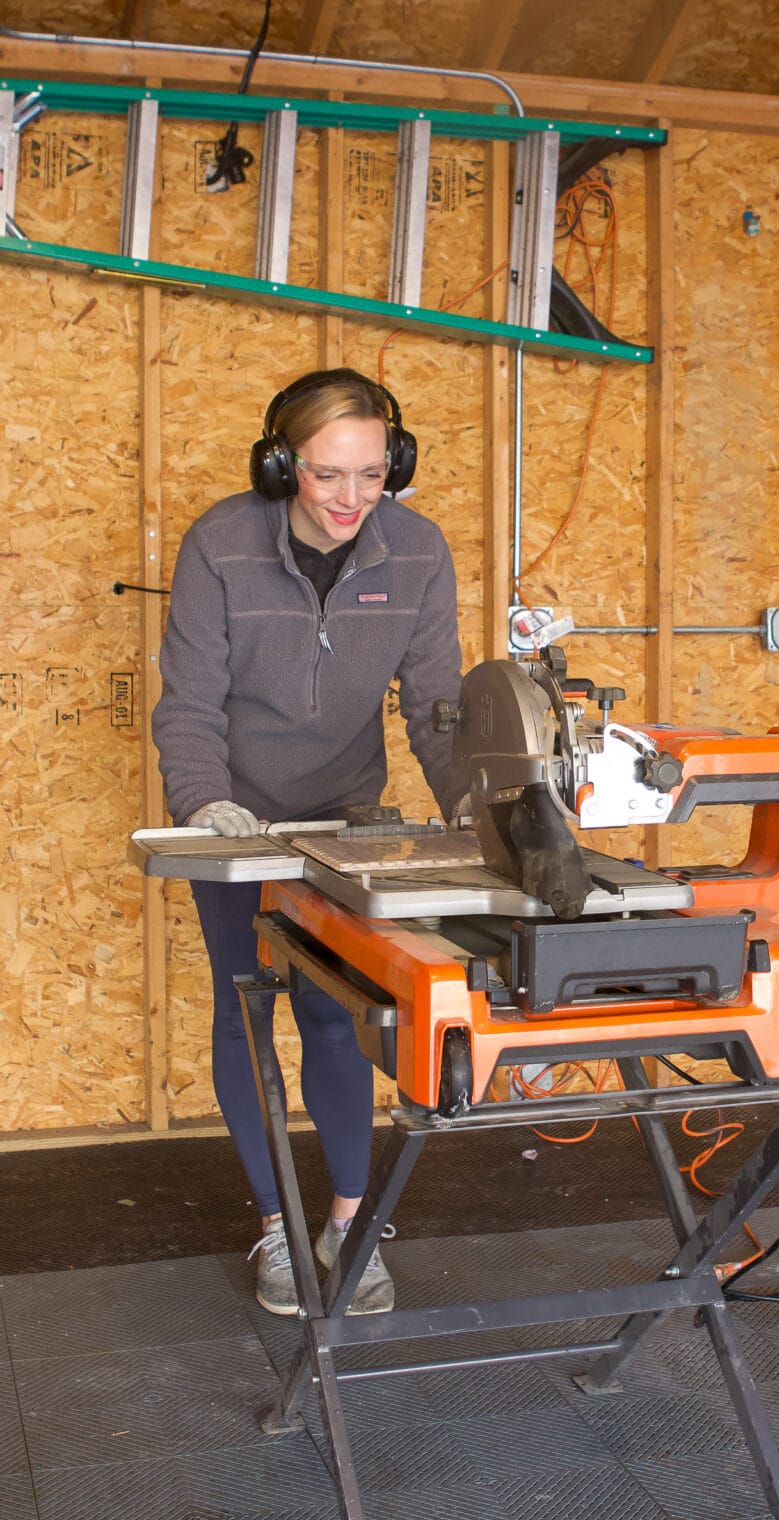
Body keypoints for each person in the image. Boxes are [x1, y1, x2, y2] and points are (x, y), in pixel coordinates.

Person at [151, 367, 465, 1316]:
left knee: (333, 1013)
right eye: (330, 475)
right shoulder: (221, 545)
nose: (352, 500)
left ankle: (348, 1224)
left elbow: (439, 709)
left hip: (341, 820)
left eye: (373, 475)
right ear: (283, 464)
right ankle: (278, 1228)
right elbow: (190, 705)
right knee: (248, 1009)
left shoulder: (416, 553)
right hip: (237, 821)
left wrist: (475, 813)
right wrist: (206, 805)